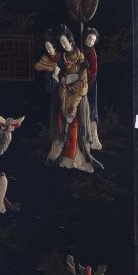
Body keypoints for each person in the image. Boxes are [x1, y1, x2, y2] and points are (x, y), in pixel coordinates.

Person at [47, 26, 99, 172]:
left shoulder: (80, 56)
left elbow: (83, 81)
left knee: (79, 126)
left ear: (71, 41)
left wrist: (75, 99)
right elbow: (62, 78)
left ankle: (82, 158)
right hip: (66, 95)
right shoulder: (63, 59)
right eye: (61, 43)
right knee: (65, 125)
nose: (64, 45)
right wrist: (64, 85)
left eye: (65, 42)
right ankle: (66, 157)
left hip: (79, 96)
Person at [83, 26, 102, 150]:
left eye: (93, 40)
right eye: (89, 38)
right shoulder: (80, 49)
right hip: (81, 83)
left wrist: (86, 71)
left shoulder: (92, 53)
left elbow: (93, 72)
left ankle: (94, 139)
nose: (90, 42)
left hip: (90, 84)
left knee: (92, 111)